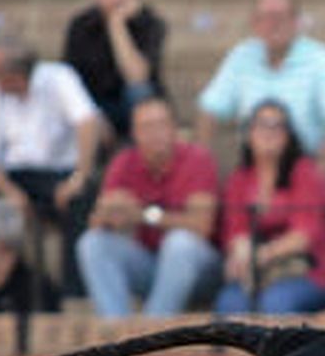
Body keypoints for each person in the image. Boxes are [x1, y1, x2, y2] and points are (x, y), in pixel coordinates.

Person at [0, 37, 102, 296]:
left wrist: (79, 176)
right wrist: (12, 194)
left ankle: (75, 295)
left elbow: (88, 122)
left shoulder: (59, 78)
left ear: (14, 75)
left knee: (82, 200)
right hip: (12, 177)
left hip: (59, 175)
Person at [76, 96, 221, 316]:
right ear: (134, 133)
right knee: (92, 243)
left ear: (175, 128)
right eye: (146, 127)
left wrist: (143, 215)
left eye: (161, 124)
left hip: (200, 271)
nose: (155, 133)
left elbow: (202, 226)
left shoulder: (198, 159)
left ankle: (150, 334)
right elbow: (96, 222)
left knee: (180, 243)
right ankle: (118, 336)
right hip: (149, 265)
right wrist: (111, 212)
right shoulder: (124, 162)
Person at [195, 0, 325, 180]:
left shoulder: (321, 59)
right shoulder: (241, 56)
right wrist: (202, 168)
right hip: (253, 165)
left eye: (280, 17)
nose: (273, 24)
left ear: (297, 22)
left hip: (304, 163)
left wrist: (318, 172)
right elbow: (209, 109)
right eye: (265, 17)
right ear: (254, 24)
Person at [214, 99, 325, 315]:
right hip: (258, 272)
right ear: (249, 133)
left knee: (276, 303)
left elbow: (303, 237)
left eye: (277, 126)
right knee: (229, 303)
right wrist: (242, 256)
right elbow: (235, 232)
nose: (269, 132)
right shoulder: (239, 179)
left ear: (289, 135)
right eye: (262, 125)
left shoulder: (306, 173)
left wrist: (258, 256)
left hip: (313, 270)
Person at [62, 0, 166, 145]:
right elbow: (69, 79)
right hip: (94, 102)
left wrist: (116, 24)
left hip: (135, 103)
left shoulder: (150, 22)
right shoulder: (80, 25)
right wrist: (94, 113)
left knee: (139, 91)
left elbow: (137, 76)